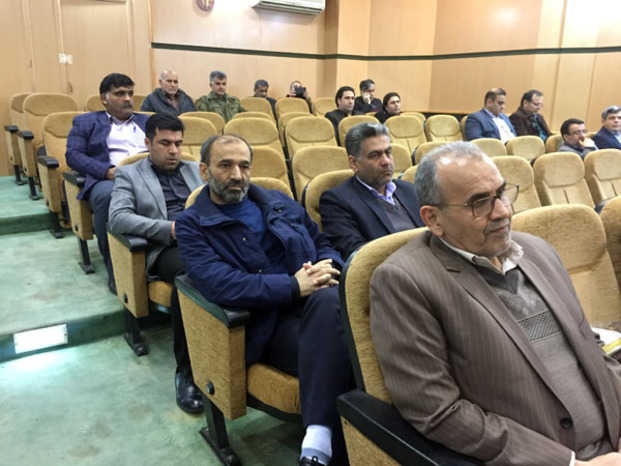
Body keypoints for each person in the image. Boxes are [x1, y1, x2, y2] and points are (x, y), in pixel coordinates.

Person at [370, 141, 621, 465]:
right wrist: (569, 464)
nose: (503, 211)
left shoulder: (539, 250)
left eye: (501, 193)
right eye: (479, 203)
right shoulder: (405, 281)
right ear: (434, 218)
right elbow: (437, 410)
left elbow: (592, 348)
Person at [175, 134, 353, 466]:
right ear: (204, 171)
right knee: (354, 353)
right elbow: (218, 283)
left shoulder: (279, 201)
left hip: (320, 302)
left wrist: (328, 267)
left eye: (244, 166)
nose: (237, 175)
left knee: (342, 312)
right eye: (225, 165)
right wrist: (293, 286)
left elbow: (322, 241)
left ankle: (319, 441)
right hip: (266, 323)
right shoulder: (192, 224)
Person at [108, 113, 204, 414]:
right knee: (192, 277)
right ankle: (187, 371)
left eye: (178, 143)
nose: (174, 150)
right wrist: (169, 229)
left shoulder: (196, 169)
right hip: (166, 247)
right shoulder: (129, 174)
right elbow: (118, 218)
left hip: (208, 239)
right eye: (165, 143)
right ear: (148, 143)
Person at [66, 73, 148, 294]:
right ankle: (119, 275)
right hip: (111, 179)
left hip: (149, 175)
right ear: (104, 98)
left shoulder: (147, 122)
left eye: (130, 93)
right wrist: (106, 171)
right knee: (109, 197)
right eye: (120, 94)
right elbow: (73, 155)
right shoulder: (86, 121)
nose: (127, 98)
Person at [319, 122, 424, 260]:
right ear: (354, 163)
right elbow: (358, 256)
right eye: (375, 155)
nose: (386, 161)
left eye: (388, 152)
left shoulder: (409, 189)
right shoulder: (336, 200)